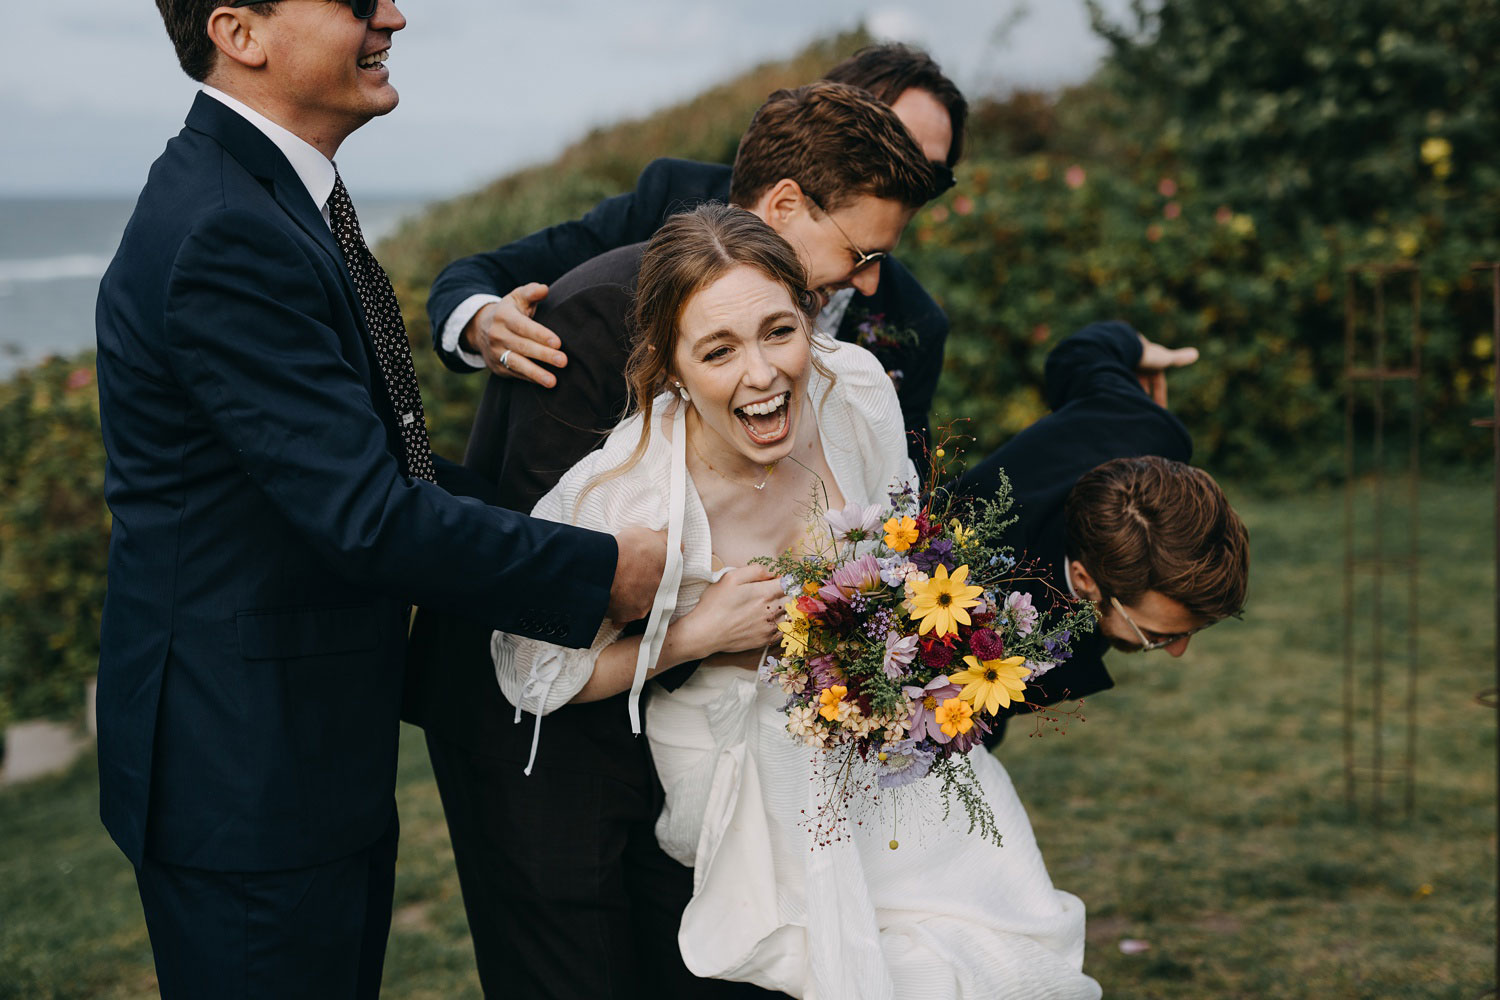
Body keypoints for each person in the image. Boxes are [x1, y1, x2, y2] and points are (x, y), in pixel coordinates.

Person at [93, 1, 663, 996]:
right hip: (246, 775)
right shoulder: (230, 228)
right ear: (241, 31)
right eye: (356, 0)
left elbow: (381, 459)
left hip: (303, 750)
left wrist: (584, 508)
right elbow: (370, 514)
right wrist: (607, 572)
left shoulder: (274, 198)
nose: (394, 15)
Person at [403, 83, 935, 998]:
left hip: (699, 736)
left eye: (779, 332)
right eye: (861, 250)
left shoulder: (853, 376)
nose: (871, 278)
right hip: (537, 729)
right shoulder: (593, 325)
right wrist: (474, 313)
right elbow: (551, 584)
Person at [496, 203, 1102, 998]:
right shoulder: (625, 494)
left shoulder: (854, 392)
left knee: (997, 919)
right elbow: (531, 676)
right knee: (858, 961)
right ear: (671, 366)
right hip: (737, 752)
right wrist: (694, 635)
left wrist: (912, 649)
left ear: (809, 317)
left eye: (779, 333)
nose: (762, 373)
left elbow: (899, 542)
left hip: (874, 727)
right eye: (718, 350)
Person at [425, 43, 967, 469]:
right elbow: (489, 273)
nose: (901, 172)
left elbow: (898, 490)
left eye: (930, 172)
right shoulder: (667, 201)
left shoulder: (914, 320)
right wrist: (482, 320)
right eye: (884, 144)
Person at [952, 322, 1250, 743]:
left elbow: (1081, 352)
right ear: (1086, 580)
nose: (1180, 651)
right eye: (1159, 635)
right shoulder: (977, 600)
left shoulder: (1149, 430)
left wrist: (1139, 347)